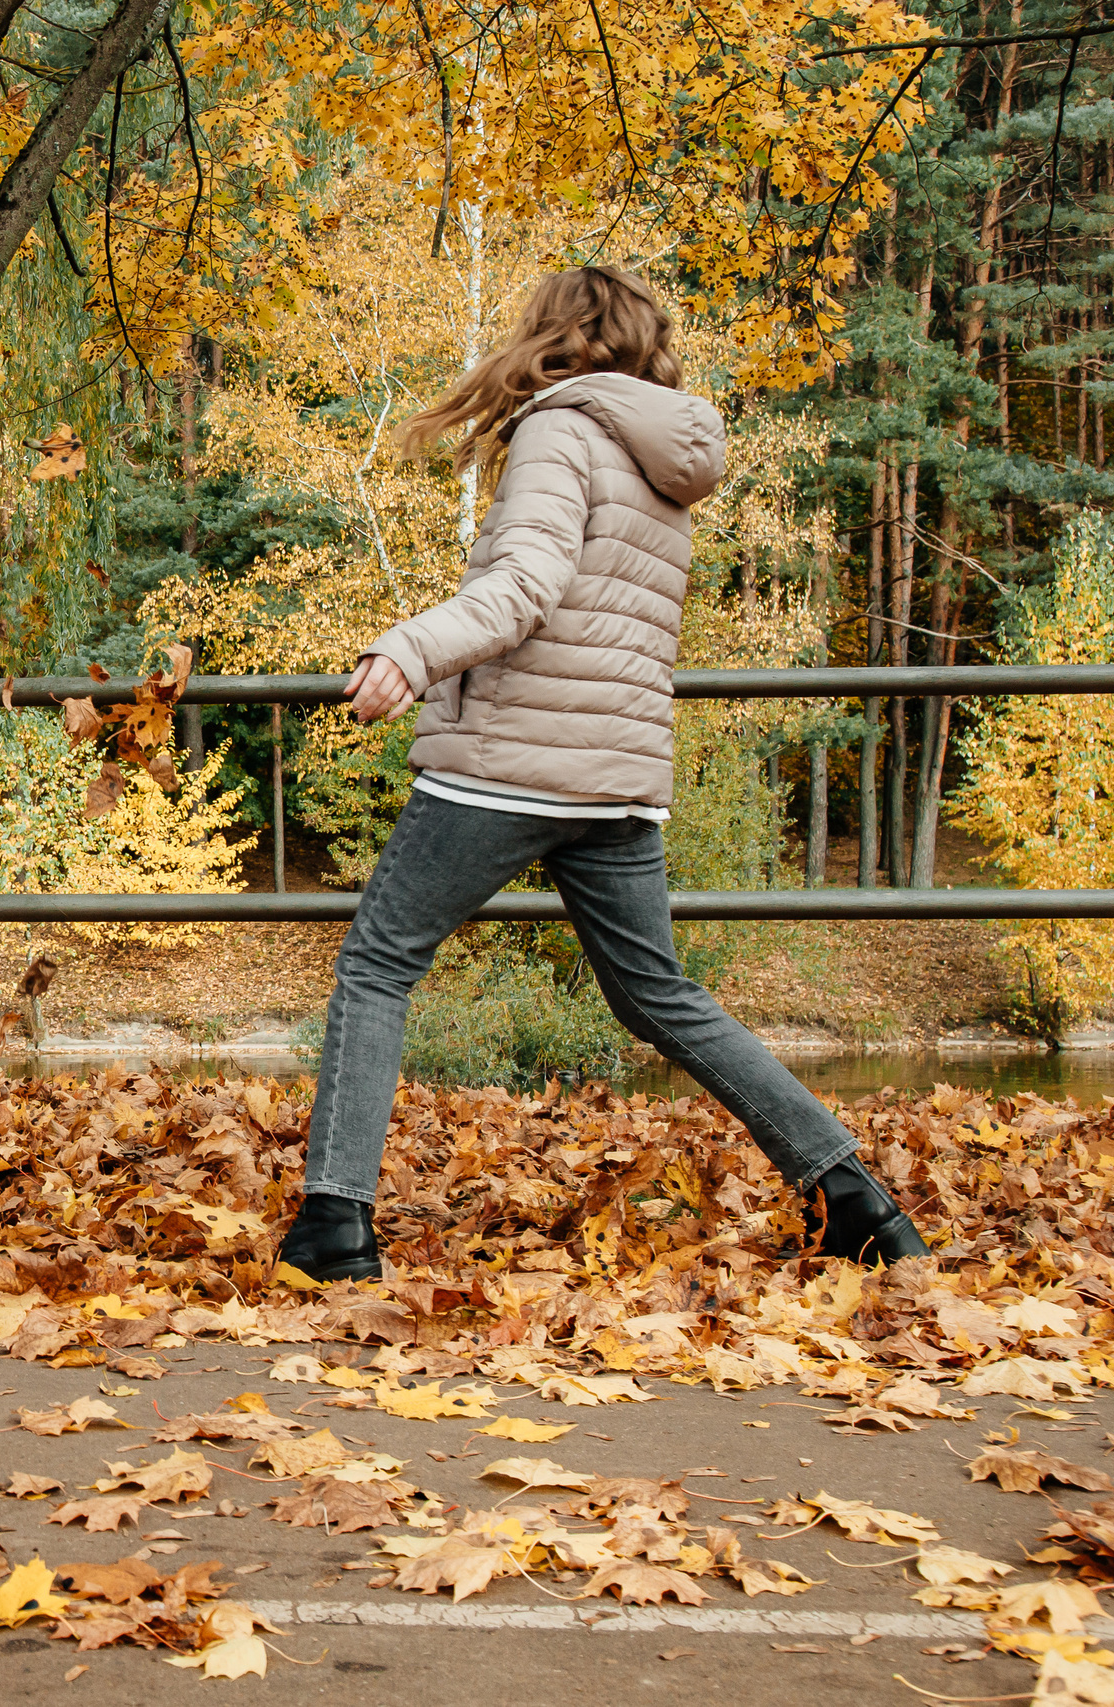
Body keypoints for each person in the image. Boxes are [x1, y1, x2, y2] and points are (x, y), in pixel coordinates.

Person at [276, 267, 929, 1283]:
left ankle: (334, 1227)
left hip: (510, 765)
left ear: (553, 335)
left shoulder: (559, 430)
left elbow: (526, 586)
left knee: (377, 964)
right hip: (615, 778)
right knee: (657, 995)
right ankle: (852, 1198)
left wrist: (411, 648)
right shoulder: (659, 458)